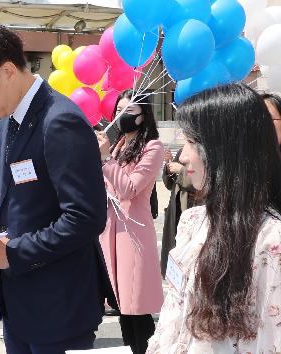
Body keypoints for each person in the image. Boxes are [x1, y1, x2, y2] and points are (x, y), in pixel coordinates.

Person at [0, 23, 115, 352]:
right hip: (20, 302)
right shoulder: (9, 120)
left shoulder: (60, 120)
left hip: (59, 304)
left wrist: (11, 252)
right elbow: (14, 197)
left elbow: (85, 217)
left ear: (8, 70)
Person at [147, 83, 281, 353]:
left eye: (192, 142)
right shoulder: (192, 222)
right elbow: (171, 319)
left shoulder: (272, 242)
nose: (183, 156)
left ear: (226, 149)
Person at [95, 90, 164, 354]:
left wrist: (104, 158)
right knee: (122, 305)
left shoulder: (153, 147)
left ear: (143, 116)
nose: (121, 116)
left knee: (136, 307)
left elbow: (129, 189)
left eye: (129, 111)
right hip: (111, 229)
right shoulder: (119, 145)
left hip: (133, 232)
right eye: (118, 111)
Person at [159, 147, 200, 277]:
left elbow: (200, 180)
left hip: (192, 208)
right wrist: (168, 164)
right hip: (176, 210)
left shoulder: (205, 150)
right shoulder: (183, 151)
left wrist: (181, 170)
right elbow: (170, 184)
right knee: (175, 249)